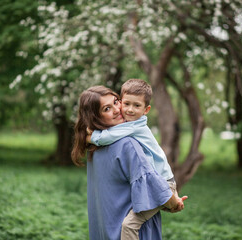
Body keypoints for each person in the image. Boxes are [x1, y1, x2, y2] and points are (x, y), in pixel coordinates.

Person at [71, 86, 186, 240]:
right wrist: (173, 203)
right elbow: (151, 183)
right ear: (95, 117)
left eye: (116, 102)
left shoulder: (94, 148)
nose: (117, 110)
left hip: (106, 228)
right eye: (107, 109)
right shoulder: (126, 145)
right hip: (134, 232)